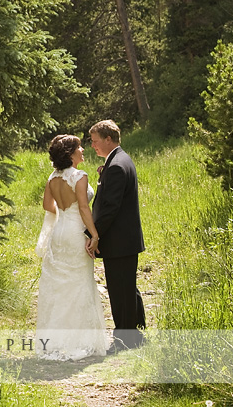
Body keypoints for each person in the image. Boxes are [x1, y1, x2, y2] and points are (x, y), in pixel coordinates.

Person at [34, 134, 107, 360]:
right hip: (76, 234)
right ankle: (80, 341)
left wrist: (65, 215)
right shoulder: (79, 176)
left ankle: (55, 341)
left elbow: (48, 205)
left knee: (59, 286)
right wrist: (94, 235)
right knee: (80, 282)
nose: (83, 150)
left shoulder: (53, 177)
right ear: (71, 153)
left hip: (59, 234)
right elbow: (84, 209)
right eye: (79, 147)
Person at [88, 120, 146, 352]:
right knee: (126, 288)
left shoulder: (115, 166)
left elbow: (110, 208)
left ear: (108, 139)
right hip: (125, 240)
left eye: (94, 140)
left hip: (120, 241)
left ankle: (125, 340)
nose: (92, 145)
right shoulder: (120, 159)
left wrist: (94, 234)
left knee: (120, 292)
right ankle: (136, 333)